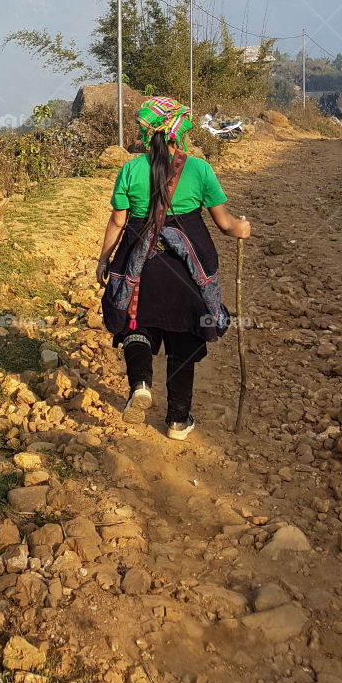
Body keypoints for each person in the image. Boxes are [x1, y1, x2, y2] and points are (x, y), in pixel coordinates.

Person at [96, 96, 250, 438]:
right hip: (187, 268)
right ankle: (178, 420)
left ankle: (140, 384)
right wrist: (242, 227)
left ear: (146, 133)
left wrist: (104, 258)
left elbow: (118, 221)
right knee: (184, 339)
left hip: (140, 264)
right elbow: (225, 224)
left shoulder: (132, 169)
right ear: (180, 133)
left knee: (135, 324)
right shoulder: (199, 169)